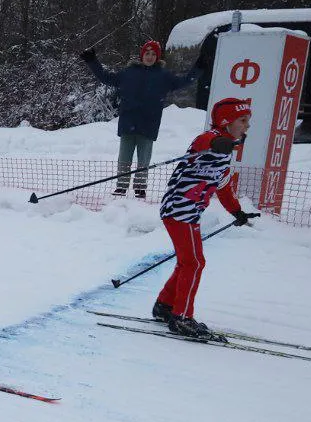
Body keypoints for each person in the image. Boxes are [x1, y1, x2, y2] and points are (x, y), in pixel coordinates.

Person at [152, 97, 260, 340]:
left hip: (189, 212)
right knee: (194, 263)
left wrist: (237, 212)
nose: (247, 126)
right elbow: (204, 142)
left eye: (247, 121)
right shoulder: (208, 139)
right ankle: (182, 317)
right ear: (225, 122)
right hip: (180, 210)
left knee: (187, 261)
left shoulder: (225, 156)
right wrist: (219, 142)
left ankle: (165, 306)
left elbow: (222, 186)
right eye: (242, 120)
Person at [80, 39, 201, 198]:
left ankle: (140, 187)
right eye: (147, 53)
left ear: (157, 57)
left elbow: (184, 81)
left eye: (153, 54)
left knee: (143, 159)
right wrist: (92, 61)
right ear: (141, 55)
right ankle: (121, 187)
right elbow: (106, 78)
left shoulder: (163, 76)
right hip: (128, 122)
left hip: (149, 124)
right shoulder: (129, 73)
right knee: (124, 158)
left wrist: (200, 67)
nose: (149, 57)